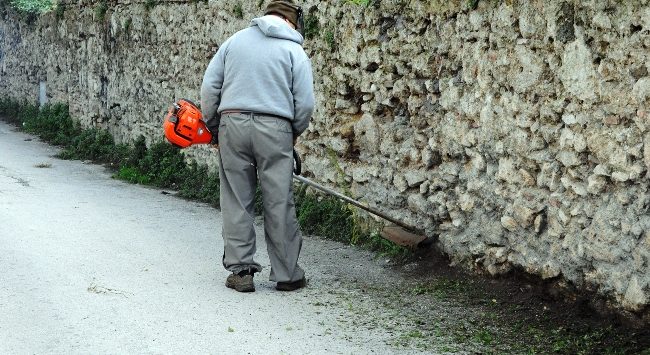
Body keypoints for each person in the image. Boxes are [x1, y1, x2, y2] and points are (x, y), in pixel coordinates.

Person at [200, 0, 315, 293]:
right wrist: (292, 133)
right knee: (279, 199)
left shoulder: (234, 42)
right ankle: (287, 274)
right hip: (275, 126)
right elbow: (305, 103)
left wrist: (214, 128)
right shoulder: (294, 50)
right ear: (292, 21)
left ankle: (241, 272)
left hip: (233, 122)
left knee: (237, 198)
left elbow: (210, 88)